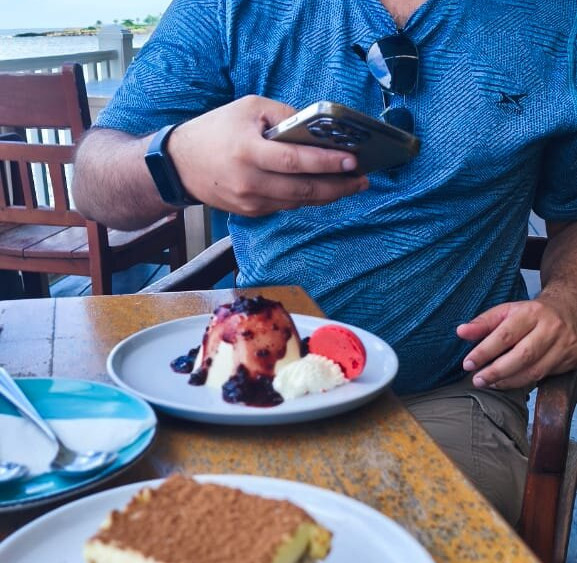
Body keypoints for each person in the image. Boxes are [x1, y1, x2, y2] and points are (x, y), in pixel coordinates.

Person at [72, 0, 577, 527]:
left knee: (369, 543)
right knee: (144, 525)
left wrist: (566, 300)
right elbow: (92, 181)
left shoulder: (559, 19)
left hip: (445, 394)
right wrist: (174, 159)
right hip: (249, 378)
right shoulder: (228, 10)